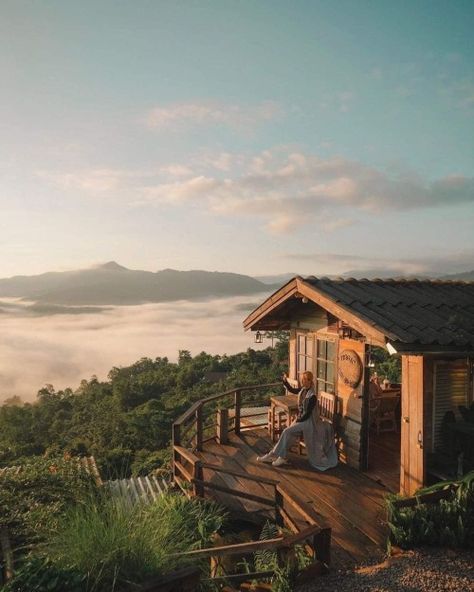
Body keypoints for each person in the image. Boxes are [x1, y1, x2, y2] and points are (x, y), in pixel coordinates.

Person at [257, 371, 338, 470]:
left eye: (304, 379)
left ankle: (273, 454)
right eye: (301, 379)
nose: (302, 381)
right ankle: (281, 457)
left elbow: (307, 414)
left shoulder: (312, 396)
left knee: (287, 431)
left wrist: (297, 420)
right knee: (290, 433)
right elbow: (293, 390)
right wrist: (285, 381)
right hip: (301, 419)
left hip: (309, 422)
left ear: (309, 381)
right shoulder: (303, 390)